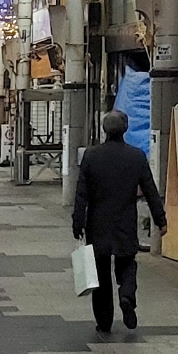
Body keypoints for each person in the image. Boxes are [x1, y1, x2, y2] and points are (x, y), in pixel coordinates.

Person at [71, 109, 164, 337]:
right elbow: (150, 190)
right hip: (125, 221)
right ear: (125, 128)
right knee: (127, 263)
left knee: (101, 273)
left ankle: (104, 322)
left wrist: (78, 222)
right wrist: (160, 220)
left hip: (97, 224)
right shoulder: (136, 156)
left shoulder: (91, 156)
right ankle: (127, 296)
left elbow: (81, 194)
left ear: (104, 130)